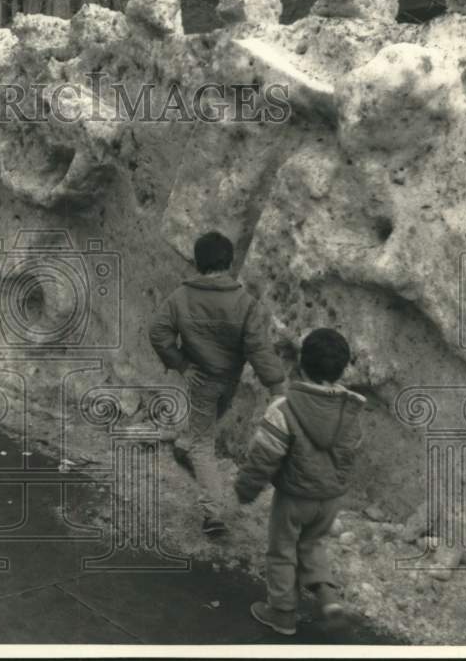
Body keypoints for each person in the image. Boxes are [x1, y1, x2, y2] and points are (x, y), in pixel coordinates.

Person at [148, 231, 286, 538]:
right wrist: (277, 385)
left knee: (201, 437)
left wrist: (182, 364)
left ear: (198, 262)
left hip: (201, 380)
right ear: (229, 261)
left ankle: (185, 448)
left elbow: (158, 331)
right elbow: (259, 349)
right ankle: (213, 515)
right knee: (204, 443)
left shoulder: (181, 297)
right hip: (229, 381)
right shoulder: (246, 303)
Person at [234, 328, 365, 636]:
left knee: (282, 550)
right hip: (329, 498)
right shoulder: (351, 411)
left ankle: (281, 613)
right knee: (312, 544)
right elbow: (350, 453)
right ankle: (329, 600)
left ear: (301, 364)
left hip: (294, 497)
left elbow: (264, 457)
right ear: (343, 368)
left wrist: (245, 489)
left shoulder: (285, 408)